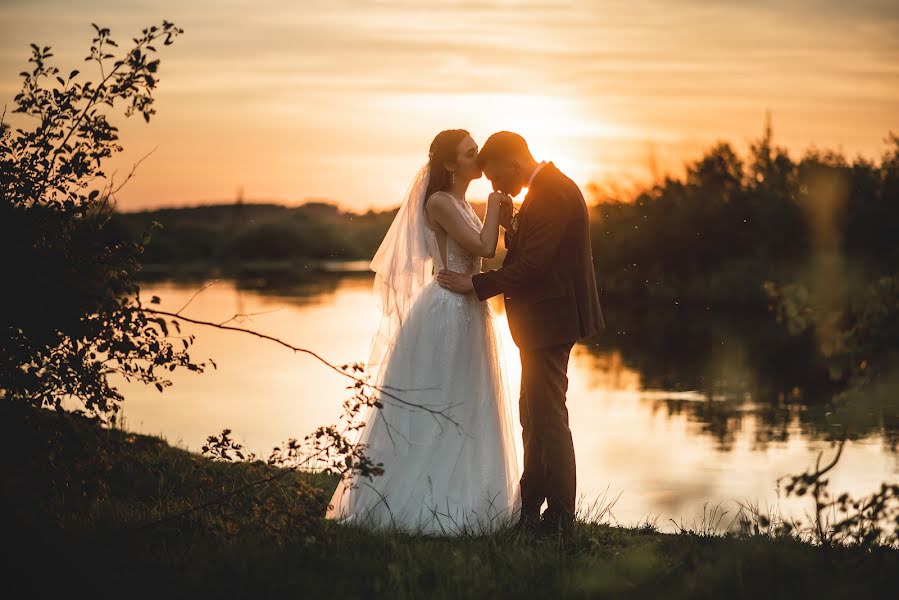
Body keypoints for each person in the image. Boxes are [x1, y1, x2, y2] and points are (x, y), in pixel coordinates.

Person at [326, 130, 521, 535]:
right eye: (471, 153)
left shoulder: (462, 203)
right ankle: (424, 499)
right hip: (447, 311)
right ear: (450, 164)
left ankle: (473, 494)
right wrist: (494, 209)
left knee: (470, 399)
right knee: (442, 399)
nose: (478, 157)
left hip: (471, 308)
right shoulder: (440, 202)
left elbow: (485, 256)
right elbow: (485, 249)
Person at [437, 131, 604, 534]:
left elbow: (531, 268)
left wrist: (475, 286)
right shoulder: (544, 190)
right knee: (533, 416)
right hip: (541, 323)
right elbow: (532, 252)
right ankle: (530, 510)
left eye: (494, 176)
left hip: (550, 322)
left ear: (512, 163)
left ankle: (561, 519)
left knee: (548, 419)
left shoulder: (551, 192)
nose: (493, 184)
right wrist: (512, 227)